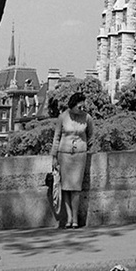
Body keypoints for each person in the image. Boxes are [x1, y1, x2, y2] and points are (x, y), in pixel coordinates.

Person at [51, 92, 94, 228]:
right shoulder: (62, 117)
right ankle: (69, 218)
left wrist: (87, 148)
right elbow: (56, 137)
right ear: (73, 105)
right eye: (79, 107)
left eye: (83, 107)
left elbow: (92, 135)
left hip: (79, 155)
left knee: (76, 188)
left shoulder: (87, 118)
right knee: (65, 188)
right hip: (64, 155)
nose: (82, 109)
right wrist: (53, 156)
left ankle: (75, 217)